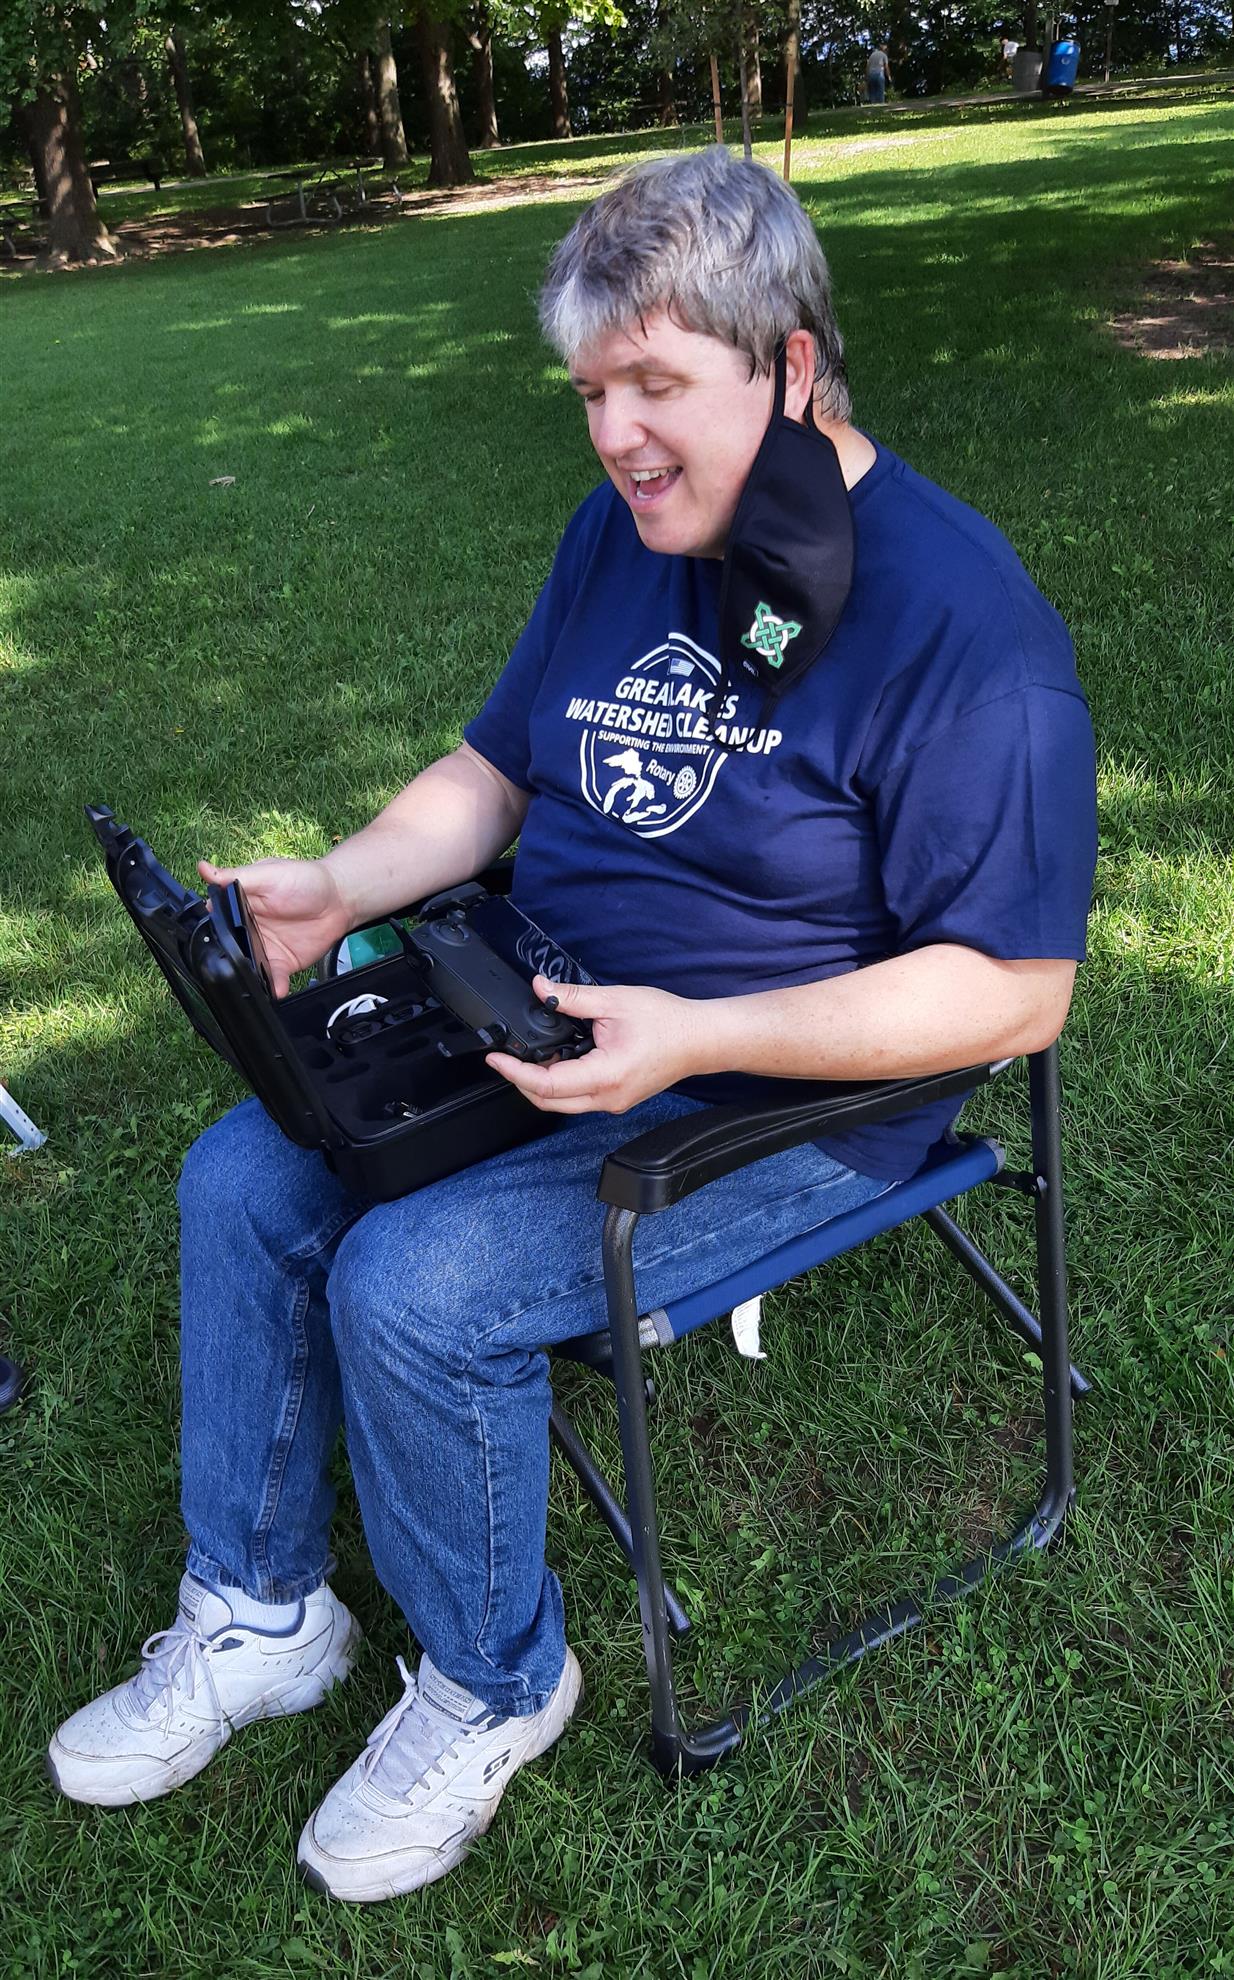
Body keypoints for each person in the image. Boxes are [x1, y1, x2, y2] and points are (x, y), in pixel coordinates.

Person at [48, 146, 1097, 1904]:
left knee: (418, 1289)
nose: (614, 436)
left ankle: (493, 1680)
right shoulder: (626, 536)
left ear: (792, 362)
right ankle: (257, 1612)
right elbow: (495, 769)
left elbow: (1012, 990)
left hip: (795, 1085)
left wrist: (693, 1035)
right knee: (243, 1177)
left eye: (656, 386)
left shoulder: (966, 629)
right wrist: (344, 881)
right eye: (592, 390)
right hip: (549, 1006)